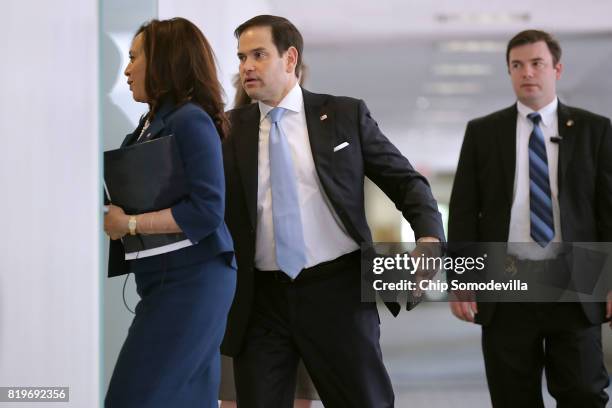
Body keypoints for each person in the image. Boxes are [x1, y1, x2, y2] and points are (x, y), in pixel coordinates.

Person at [221, 15, 445, 407]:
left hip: (337, 291)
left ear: (290, 58)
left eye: (258, 55)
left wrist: (428, 237)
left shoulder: (343, 115)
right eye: (242, 57)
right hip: (261, 301)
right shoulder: (228, 129)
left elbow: (407, 182)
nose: (247, 67)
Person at [448, 29, 612, 407]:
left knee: (584, 391)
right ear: (509, 72)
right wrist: (461, 276)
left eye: (536, 63)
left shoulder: (593, 130)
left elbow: (608, 211)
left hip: (576, 279)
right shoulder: (483, 133)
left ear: (557, 68)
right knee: (512, 395)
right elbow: (462, 211)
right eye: (517, 65)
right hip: (507, 282)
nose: (527, 73)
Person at [103, 17, 236, 408]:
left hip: (193, 284)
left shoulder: (190, 120)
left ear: (163, 60)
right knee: (185, 398)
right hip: (166, 284)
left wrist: (128, 223)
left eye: (133, 58)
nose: (127, 70)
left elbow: (207, 210)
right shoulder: (149, 124)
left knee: (134, 398)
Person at [219, 73, 318, 408]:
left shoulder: (307, 137)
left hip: (309, 289)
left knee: (299, 392)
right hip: (246, 297)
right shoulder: (226, 140)